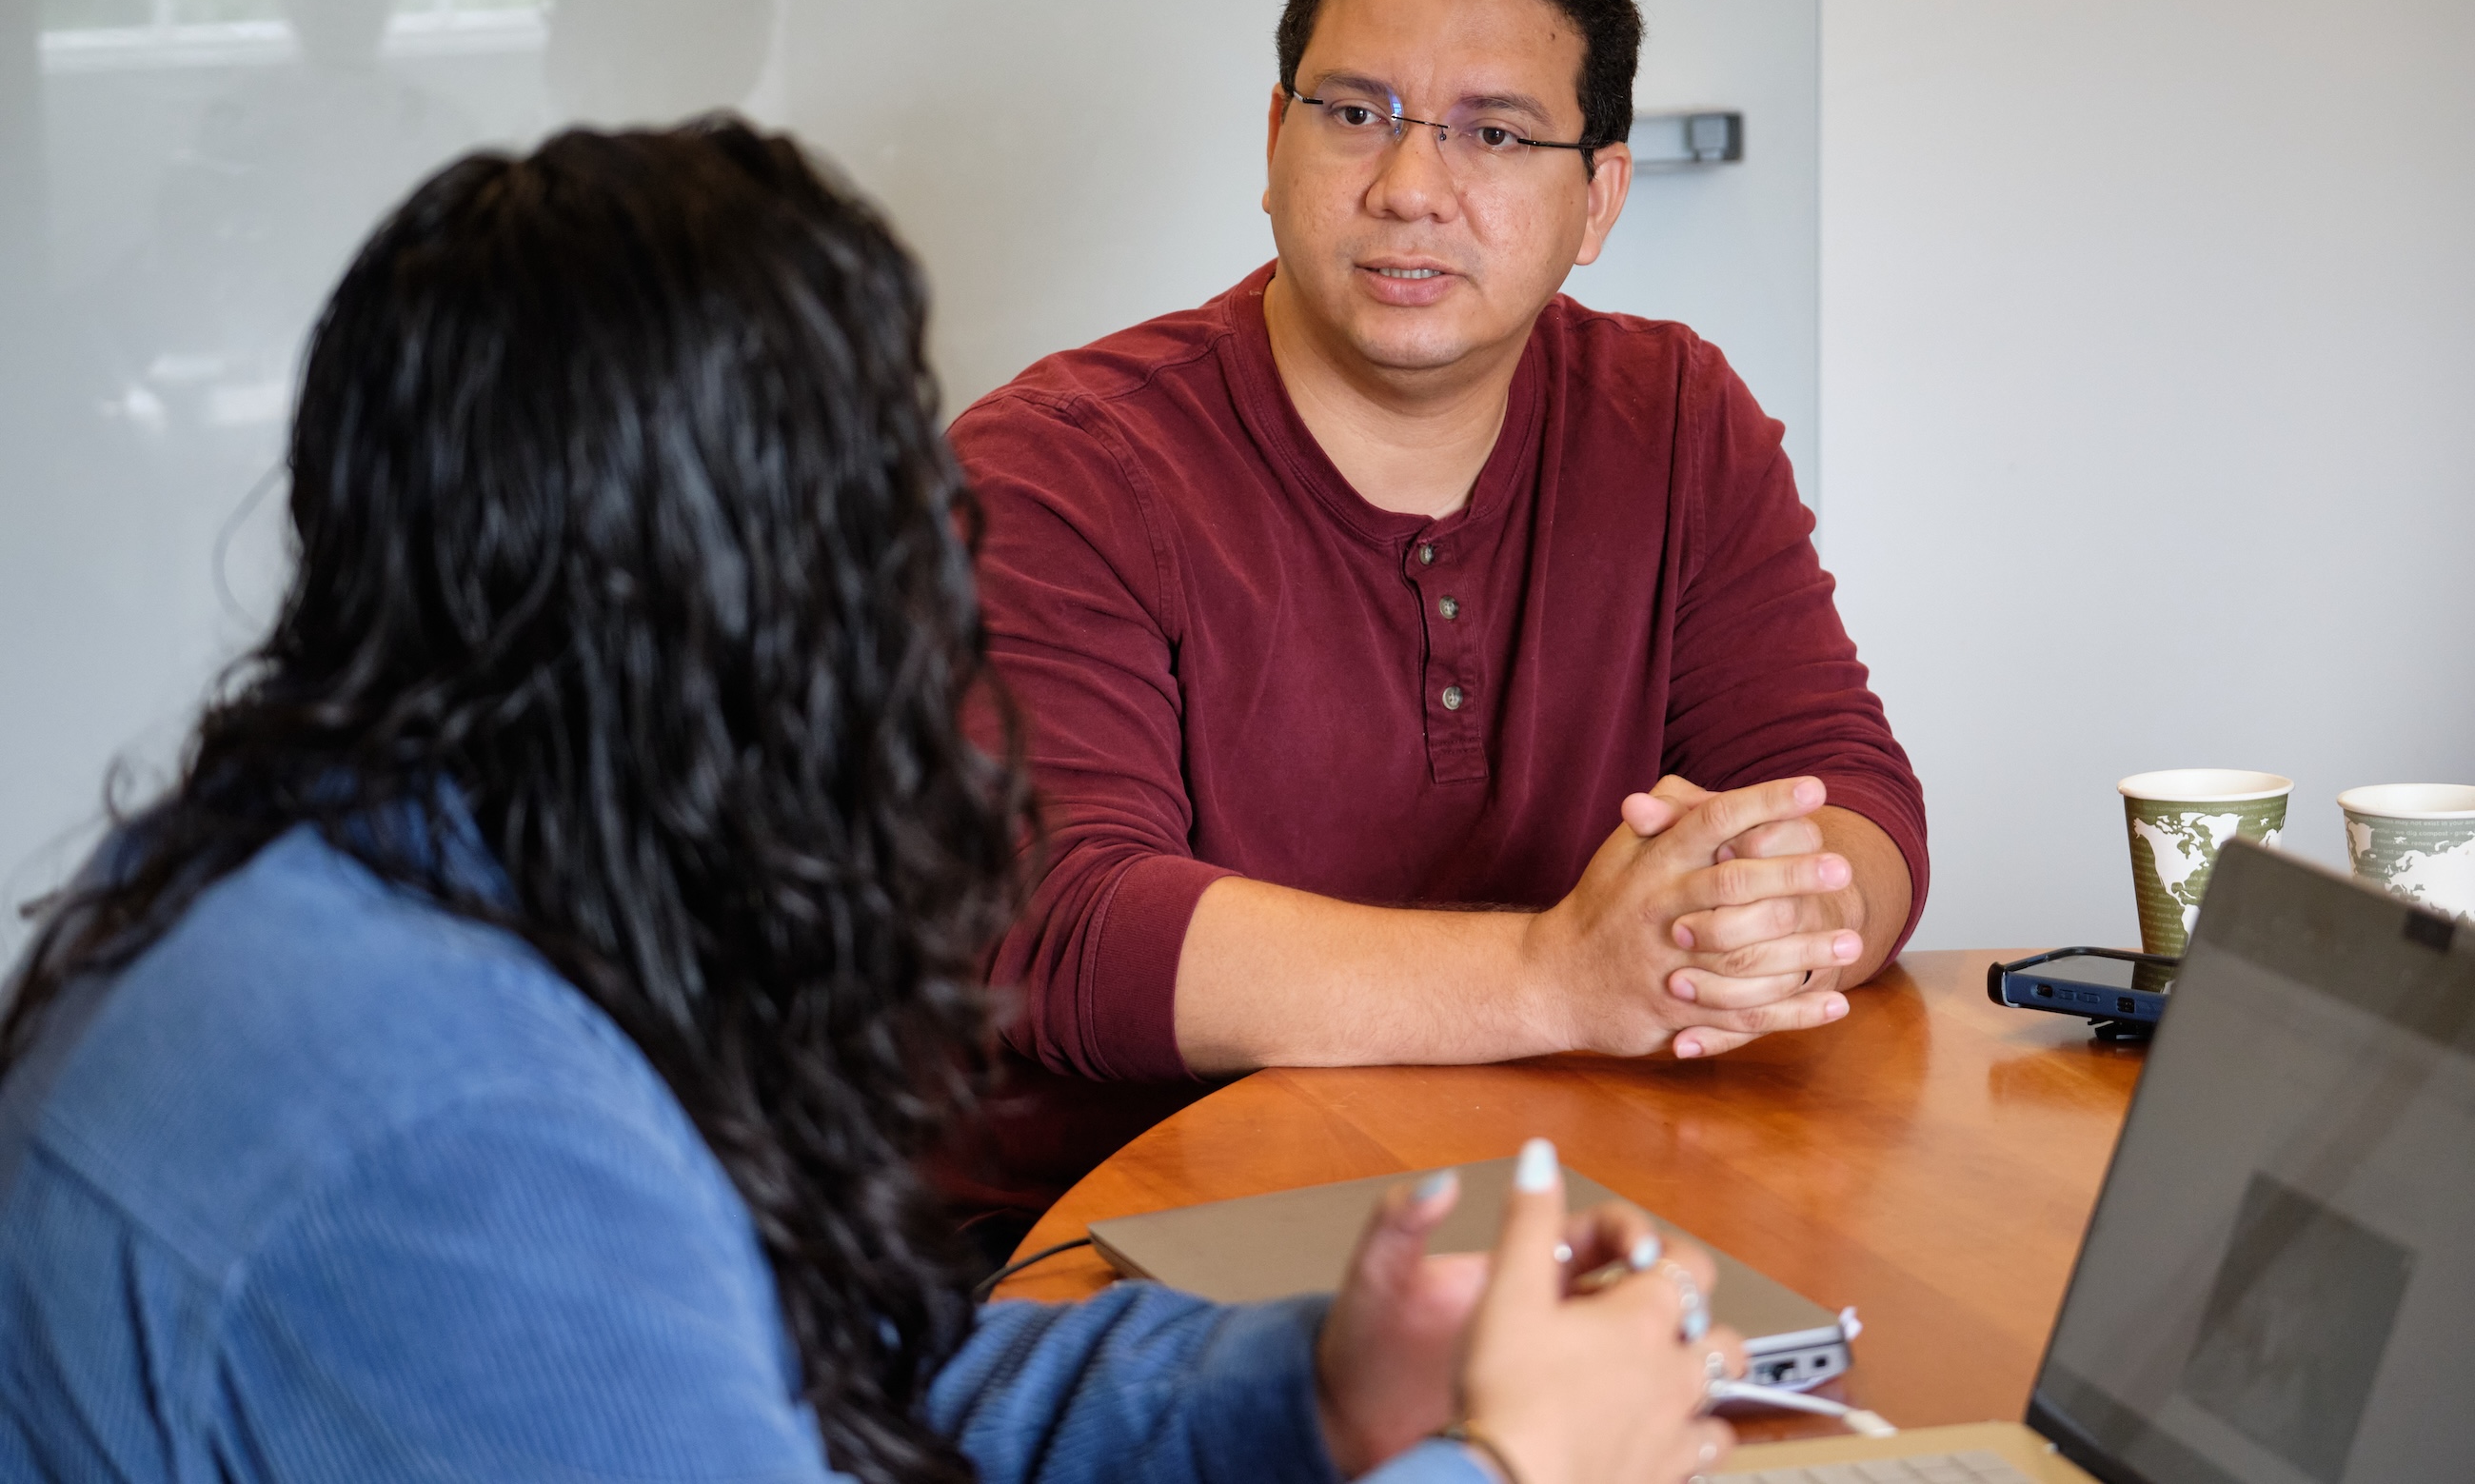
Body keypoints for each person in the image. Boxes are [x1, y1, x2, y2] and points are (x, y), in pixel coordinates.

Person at [0, 121, 1740, 1484]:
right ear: (740, 593)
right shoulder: (442, 1134)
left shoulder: (404, 883)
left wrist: (1320, 1389)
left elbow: (835, 1375)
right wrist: (1512, 1466)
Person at [943, 0, 1929, 1220]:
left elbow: (1848, 794)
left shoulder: (1676, 419)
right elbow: (1065, 926)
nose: (1411, 187)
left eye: (1495, 134)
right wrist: (1560, 977)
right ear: (1276, 141)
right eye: (1357, 115)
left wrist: (1779, 914)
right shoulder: (1057, 464)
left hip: (1545, 1193)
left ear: (1599, 198)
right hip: (1116, 1243)